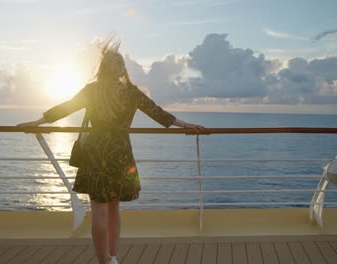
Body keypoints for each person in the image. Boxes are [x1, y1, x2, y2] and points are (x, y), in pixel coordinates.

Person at [17, 40, 206, 264]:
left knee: (98, 210)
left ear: (102, 68)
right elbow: (158, 113)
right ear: (122, 69)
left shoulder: (92, 90)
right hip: (120, 153)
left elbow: (66, 107)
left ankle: (103, 261)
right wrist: (186, 125)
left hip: (95, 151)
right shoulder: (131, 93)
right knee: (114, 208)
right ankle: (114, 257)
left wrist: (39, 121)